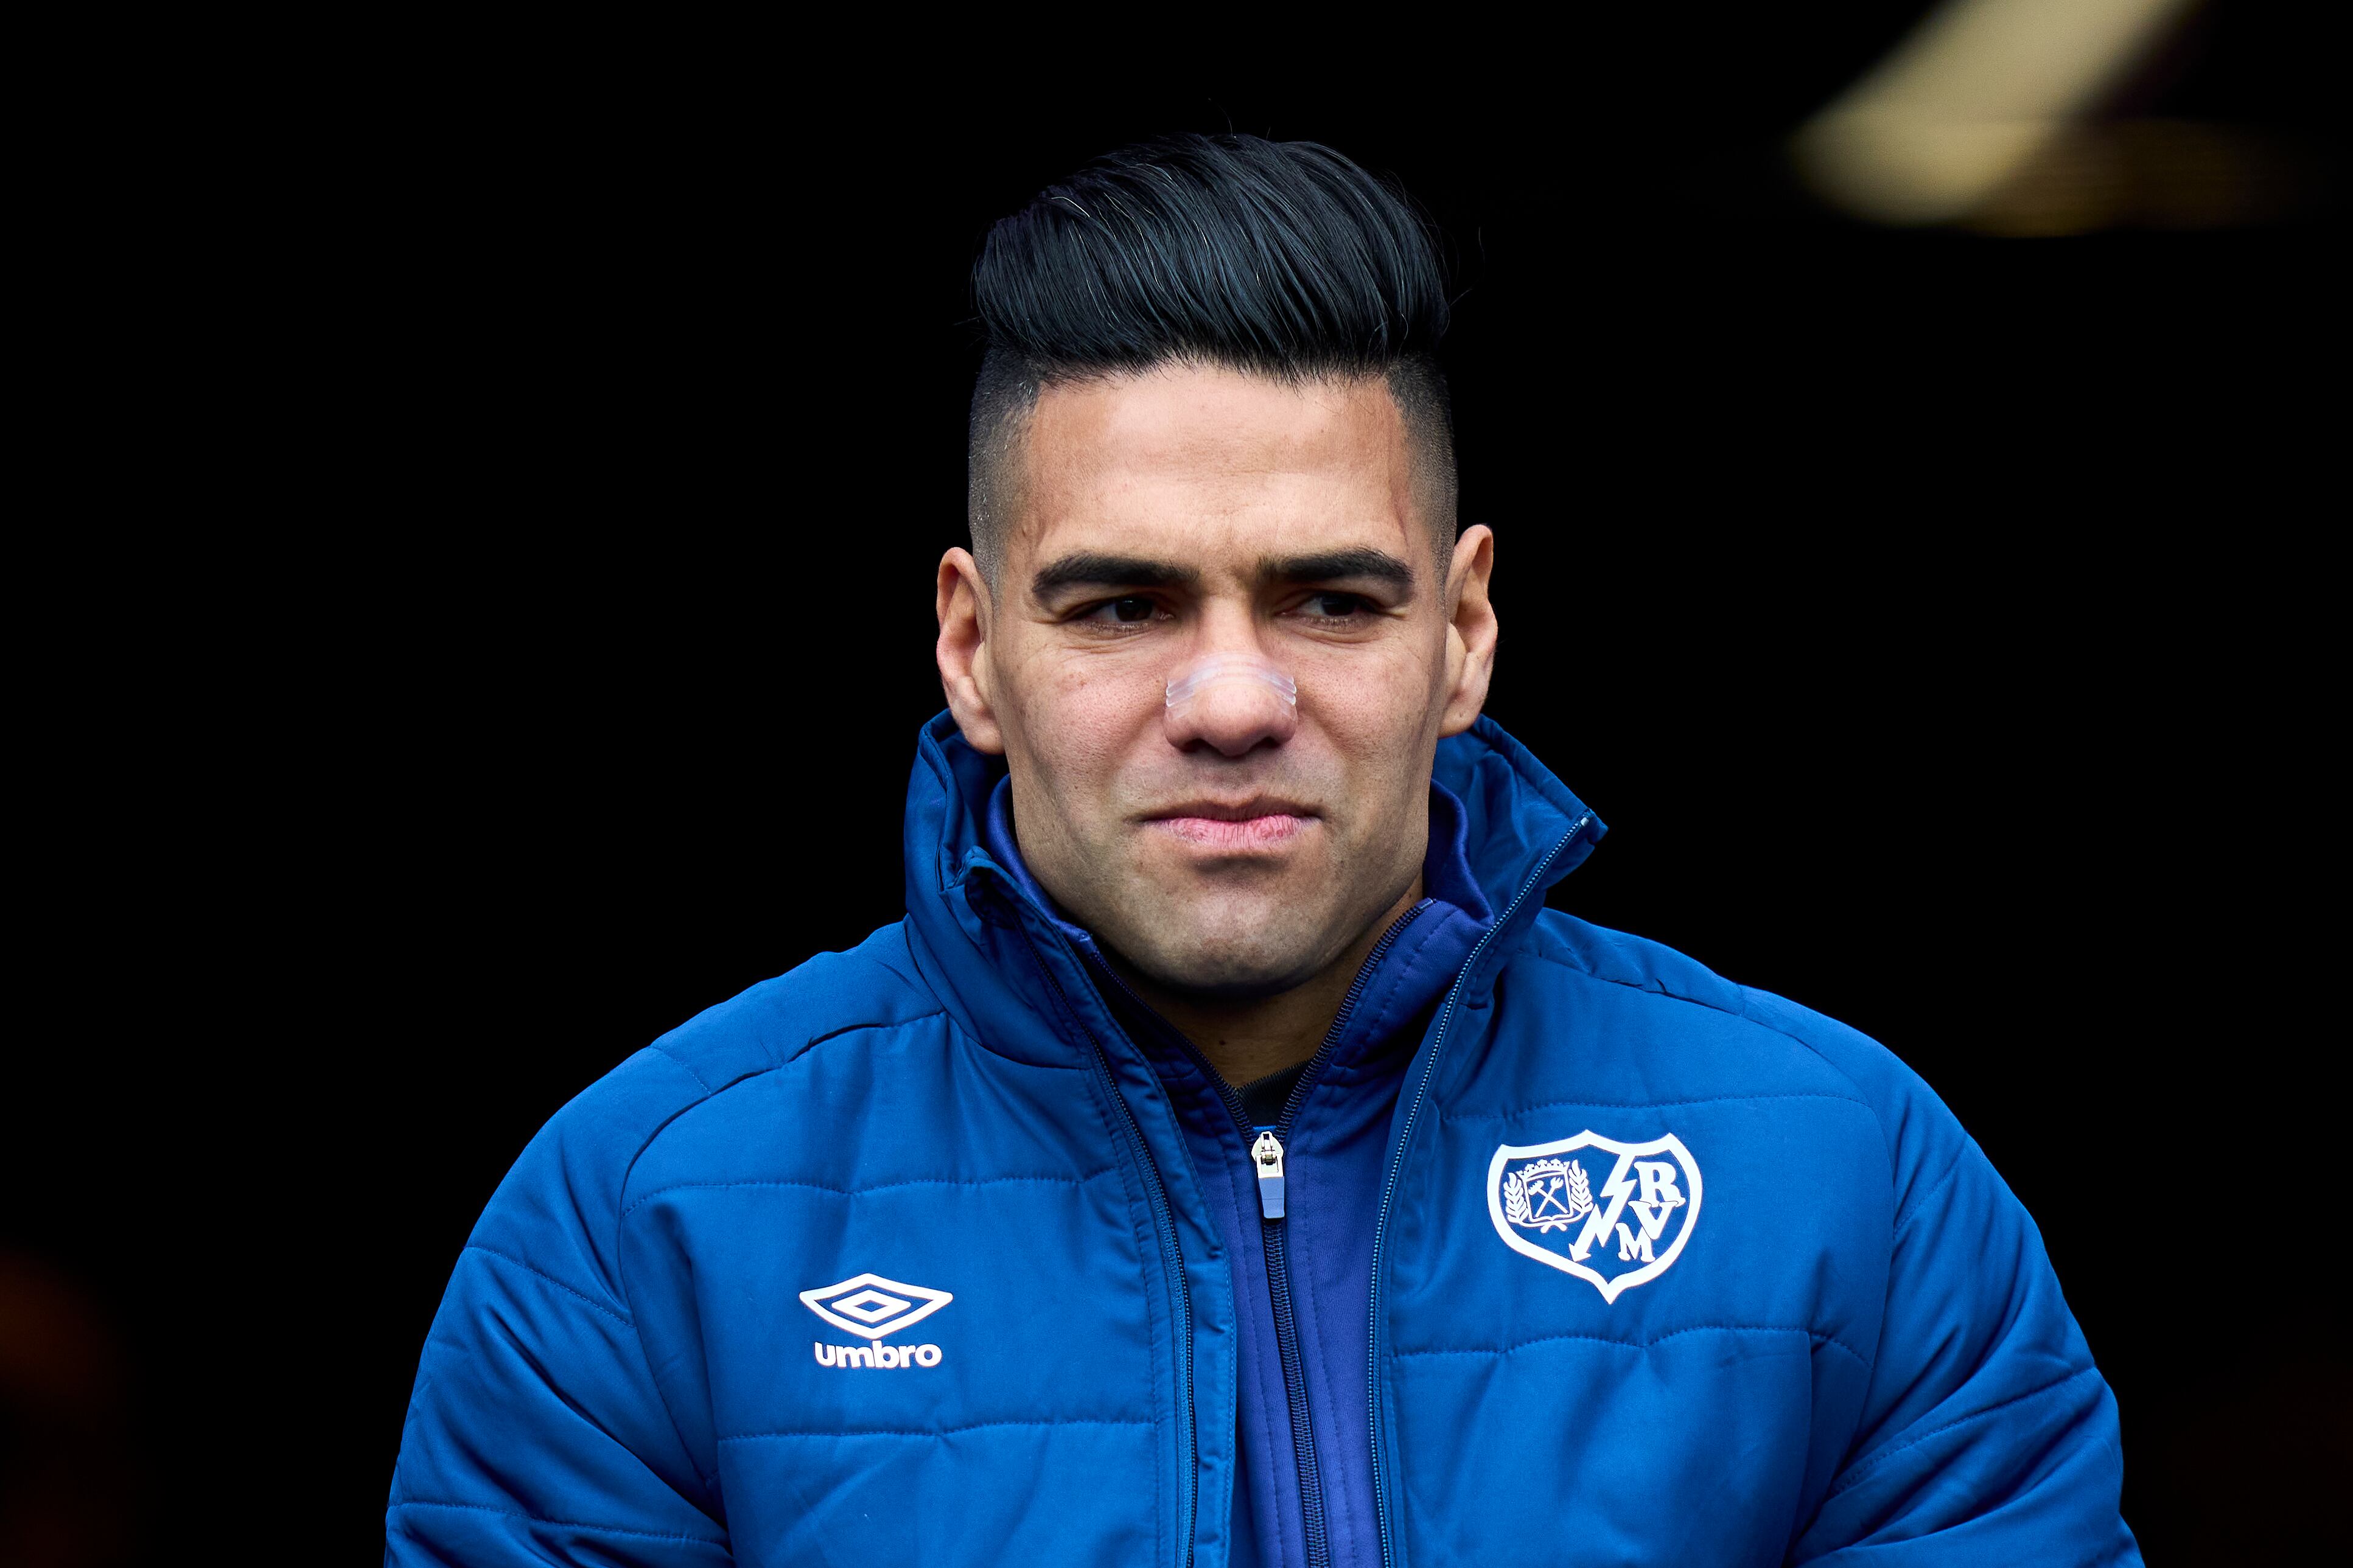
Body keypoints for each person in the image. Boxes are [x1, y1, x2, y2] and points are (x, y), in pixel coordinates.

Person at [385, 134, 2139, 1567]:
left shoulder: (1844, 1186)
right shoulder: (643, 1223)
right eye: (1125, 604)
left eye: (1326, 597)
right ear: (971, 648)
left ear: (1462, 632)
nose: (1230, 698)